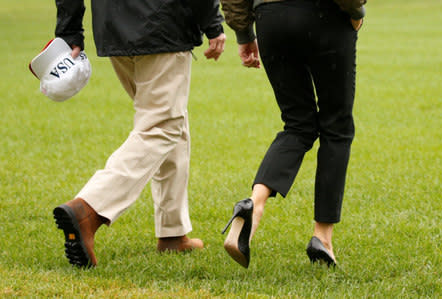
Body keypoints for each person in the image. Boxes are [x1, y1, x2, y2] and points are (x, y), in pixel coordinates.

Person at [52, 0, 226, 268]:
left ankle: (173, 232)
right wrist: (213, 24)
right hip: (164, 24)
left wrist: (69, 30)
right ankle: (88, 209)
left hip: (114, 27)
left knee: (169, 121)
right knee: (162, 126)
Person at [220, 0, 366, 268]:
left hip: (271, 19)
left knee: (298, 124)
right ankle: (322, 237)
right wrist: (356, 10)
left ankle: (254, 203)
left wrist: (243, 31)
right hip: (325, 14)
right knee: (337, 127)